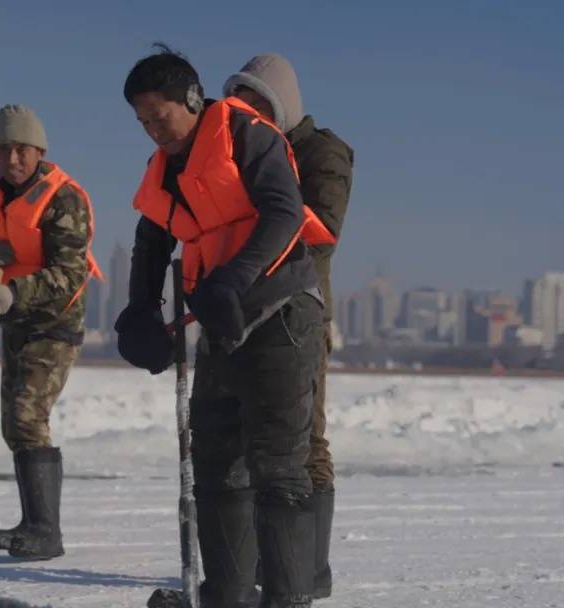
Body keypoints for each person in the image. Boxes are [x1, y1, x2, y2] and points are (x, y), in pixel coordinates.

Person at [116, 45, 335, 607]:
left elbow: (284, 213)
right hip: (222, 316)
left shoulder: (248, 135)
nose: (152, 132)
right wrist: (142, 308)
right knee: (215, 459)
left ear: (190, 100)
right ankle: (226, 598)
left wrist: (232, 278)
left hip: (280, 312)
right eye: (141, 123)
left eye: (158, 118)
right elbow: (152, 236)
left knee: (277, 468)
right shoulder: (166, 167)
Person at [224, 52, 355, 599]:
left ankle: (310, 568)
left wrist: (266, 203)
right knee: (250, 435)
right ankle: (264, 558)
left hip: (299, 312)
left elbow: (323, 224)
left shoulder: (320, 150)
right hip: (247, 309)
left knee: (306, 438)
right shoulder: (240, 151)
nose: (246, 114)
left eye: (256, 102)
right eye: (240, 102)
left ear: (279, 104)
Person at [0, 105, 102, 560]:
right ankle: (31, 521)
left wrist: (15, 291)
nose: (12, 158)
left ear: (39, 150)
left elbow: (70, 272)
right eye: (4, 149)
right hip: (14, 317)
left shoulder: (64, 199)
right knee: (16, 427)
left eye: (21, 149)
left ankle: (45, 531)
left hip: (54, 320)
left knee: (27, 417)